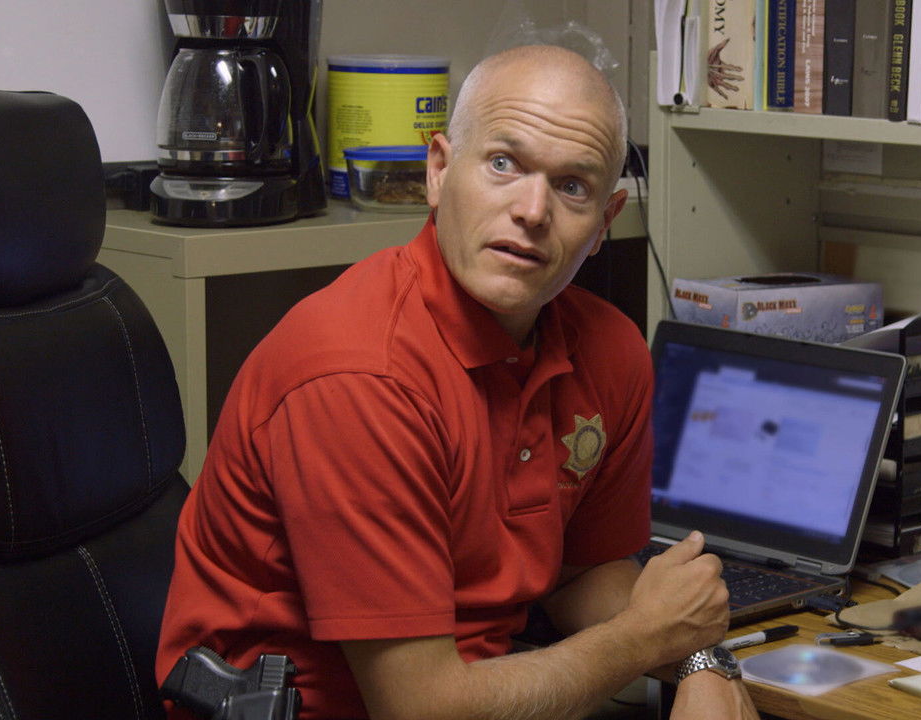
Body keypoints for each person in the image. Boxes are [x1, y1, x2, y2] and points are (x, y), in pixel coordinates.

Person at [156, 44, 759, 720]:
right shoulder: (360, 375)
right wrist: (646, 639)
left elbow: (583, 574)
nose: (533, 210)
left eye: (572, 187)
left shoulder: (609, 351)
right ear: (439, 171)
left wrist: (702, 660)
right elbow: (422, 708)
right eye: (503, 164)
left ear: (604, 225)